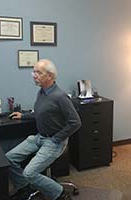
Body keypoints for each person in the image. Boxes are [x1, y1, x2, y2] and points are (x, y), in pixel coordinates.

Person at [6, 59, 81, 200]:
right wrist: (23, 115)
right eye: (33, 72)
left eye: (38, 72)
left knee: (29, 173)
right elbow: (40, 112)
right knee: (8, 159)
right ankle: (23, 187)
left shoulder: (60, 97)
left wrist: (56, 139)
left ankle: (60, 194)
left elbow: (75, 122)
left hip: (55, 141)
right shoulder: (42, 92)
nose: (34, 75)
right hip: (40, 137)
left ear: (50, 76)